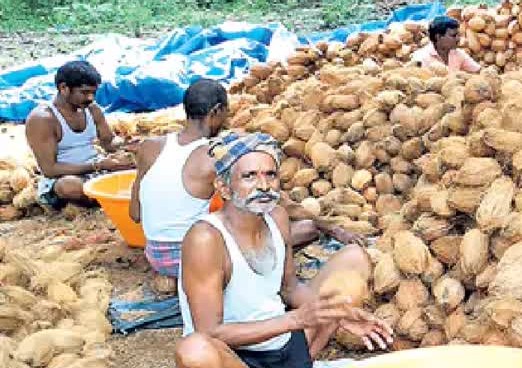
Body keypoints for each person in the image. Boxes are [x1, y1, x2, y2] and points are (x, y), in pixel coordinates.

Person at [172, 132, 394, 368]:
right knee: (194, 351)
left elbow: (289, 288)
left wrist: (338, 313)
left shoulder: (276, 217)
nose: (263, 185)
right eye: (249, 176)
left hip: (281, 346)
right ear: (223, 187)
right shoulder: (206, 239)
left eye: (270, 174)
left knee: (354, 258)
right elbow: (211, 333)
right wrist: (296, 320)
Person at [131, 80, 363, 281]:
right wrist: (330, 227)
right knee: (306, 229)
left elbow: (135, 214)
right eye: (226, 113)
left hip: (155, 256)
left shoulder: (149, 147)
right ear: (216, 111)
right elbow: (280, 203)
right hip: (197, 259)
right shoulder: (214, 155)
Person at [25, 61, 134, 209]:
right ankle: (108, 197)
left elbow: (108, 143)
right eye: (84, 92)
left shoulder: (92, 109)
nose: (90, 98)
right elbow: (50, 169)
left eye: (93, 93)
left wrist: (126, 144)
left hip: (97, 169)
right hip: (64, 178)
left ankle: (103, 197)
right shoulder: (43, 119)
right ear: (64, 88)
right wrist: (97, 166)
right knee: (69, 187)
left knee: (142, 164)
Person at [411, 16, 482, 73]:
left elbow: (478, 70)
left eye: (458, 35)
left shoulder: (458, 53)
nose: (458, 39)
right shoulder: (421, 57)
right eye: (453, 36)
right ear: (438, 37)